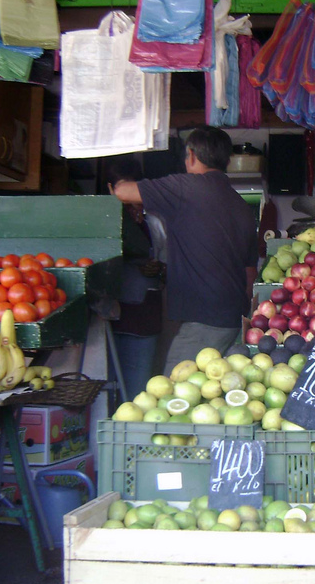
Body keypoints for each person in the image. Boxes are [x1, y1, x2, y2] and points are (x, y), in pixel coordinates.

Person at [113, 126, 259, 372]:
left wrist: (118, 177)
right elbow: (250, 273)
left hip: (203, 321)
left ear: (191, 155)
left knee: (174, 394)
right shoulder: (242, 205)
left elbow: (122, 192)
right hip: (232, 318)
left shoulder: (185, 188)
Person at [107, 156, 165, 398]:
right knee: (104, 388)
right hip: (108, 316)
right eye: (121, 188)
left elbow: (168, 264)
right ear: (111, 189)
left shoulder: (154, 221)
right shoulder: (105, 221)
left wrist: (159, 269)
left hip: (144, 316)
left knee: (136, 390)